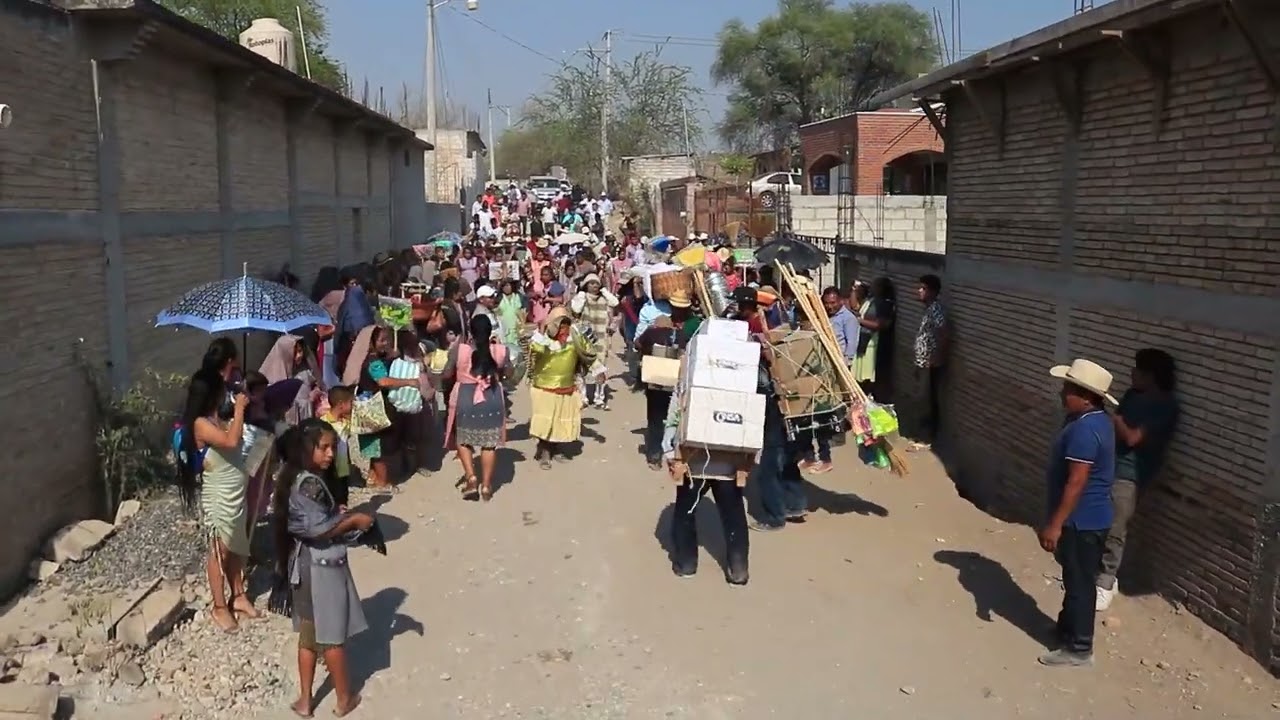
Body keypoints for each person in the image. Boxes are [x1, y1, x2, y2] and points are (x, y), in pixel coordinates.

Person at [272, 418, 373, 718]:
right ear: (307, 448)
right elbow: (319, 529)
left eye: (332, 447)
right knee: (331, 637)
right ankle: (344, 699)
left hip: (302, 567)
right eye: (324, 447)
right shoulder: (311, 483)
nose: (331, 454)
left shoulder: (293, 478)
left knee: (308, 636)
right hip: (321, 567)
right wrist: (354, 521)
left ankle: (306, 700)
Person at [1040, 358, 1117, 667]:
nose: (1062, 393)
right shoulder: (1092, 420)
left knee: (1080, 584)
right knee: (1074, 579)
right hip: (1086, 519)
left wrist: (1054, 525)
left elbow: (1076, 482)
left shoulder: (1086, 430)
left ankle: (1080, 648)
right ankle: (1066, 630)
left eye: (1068, 389)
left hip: (1081, 521)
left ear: (1086, 397)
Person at [175, 368, 259, 634]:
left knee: (236, 545)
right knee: (219, 550)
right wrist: (239, 410)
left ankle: (238, 594)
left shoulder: (215, 417)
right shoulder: (200, 423)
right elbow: (230, 441)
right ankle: (219, 606)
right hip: (219, 497)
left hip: (236, 493)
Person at [1096, 349, 1179, 611]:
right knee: (1099, 523)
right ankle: (1097, 575)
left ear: (1150, 376)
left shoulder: (1165, 406)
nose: (1131, 373)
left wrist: (1115, 417)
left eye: (1137, 370)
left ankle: (1106, 584)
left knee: (1115, 529)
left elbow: (1132, 438)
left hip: (1130, 475)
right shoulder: (1133, 395)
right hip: (1109, 466)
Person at [443, 314, 512, 501]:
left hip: (466, 397)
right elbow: (509, 373)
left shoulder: (461, 349)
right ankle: (487, 486)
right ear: (490, 331)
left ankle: (472, 477)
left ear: (471, 331)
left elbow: (446, 373)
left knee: (464, 439)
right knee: (489, 444)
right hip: (491, 397)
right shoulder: (500, 350)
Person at [351, 326, 420, 493]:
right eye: (382, 340)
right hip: (373, 407)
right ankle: (383, 482)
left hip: (367, 405)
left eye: (387, 339)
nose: (386, 343)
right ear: (372, 343)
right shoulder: (374, 362)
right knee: (378, 446)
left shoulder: (375, 358)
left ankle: (373, 477)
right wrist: (409, 382)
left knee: (372, 444)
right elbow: (383, 381)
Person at [634, 289, 696, 469]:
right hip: (677, 382)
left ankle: (654, 456)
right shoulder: (687, 331)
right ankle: (673, 453)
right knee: (675, 418)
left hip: (655, 381)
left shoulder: (654, 331)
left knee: (655, 418)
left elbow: (638, 343)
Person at [527, 307, 595, 469]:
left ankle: (555, 449)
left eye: (565, 322)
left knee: (558, 421)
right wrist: (542, 331)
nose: (562, 326)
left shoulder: (575, 337)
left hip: (566, 385)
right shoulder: (541, 338)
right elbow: (538, 349)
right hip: (543, 387)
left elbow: (588, 353)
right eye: (558, 322)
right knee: (546, 421)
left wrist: (598, 370)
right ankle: (544, 453)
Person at [570, 273, 619, 409]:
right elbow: (576, 309)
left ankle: (599, 397)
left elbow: (615, 302)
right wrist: (581, 294)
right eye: (591, 283)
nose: (594, 286)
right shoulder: (582, 297)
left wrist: (604, 291)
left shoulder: (604, 297)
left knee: (600, 368)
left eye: (596, 283)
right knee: (582, 369)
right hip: (585, 338)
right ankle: (583, 397)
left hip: (601, 338)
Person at [914, 274, 949, 444]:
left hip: (930, 364)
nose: (919, 291)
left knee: (926, 400)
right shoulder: (928, 309)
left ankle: (925, 438)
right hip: (923, 362)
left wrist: (936, 357)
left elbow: (944, 333)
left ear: (933, 291)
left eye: (923, 288)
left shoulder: (936, 309)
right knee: (923, 398)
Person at [319, 385, 355, 509]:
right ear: (341, 404)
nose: (352, 406)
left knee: (342, 491)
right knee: (329, 489)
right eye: (350, 402)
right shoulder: (323, 423)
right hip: (328, 464)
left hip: (343, 463)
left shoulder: (345, 422)